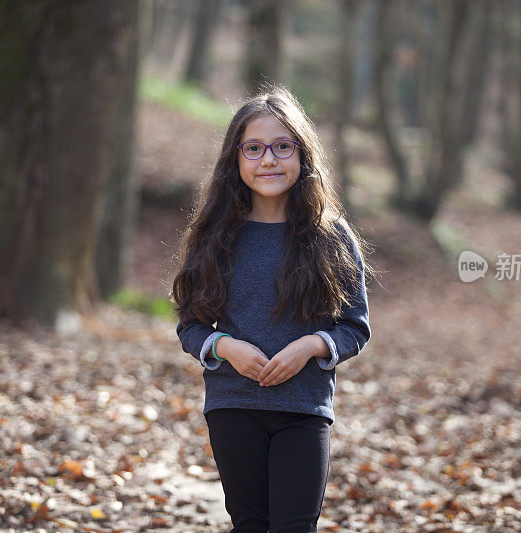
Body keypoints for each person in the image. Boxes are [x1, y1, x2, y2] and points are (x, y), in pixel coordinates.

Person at [171, 86, 372, 533]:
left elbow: (354, 327)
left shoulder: (330, 236)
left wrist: (309, 346)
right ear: (235, 159)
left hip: (304, 408)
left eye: (283, 146)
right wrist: (225, 347)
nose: (268, 160)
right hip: (233, 404)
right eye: (254, 148)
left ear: (302, 155)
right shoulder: (214, 235)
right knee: (250, 524)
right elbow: (191, 325)